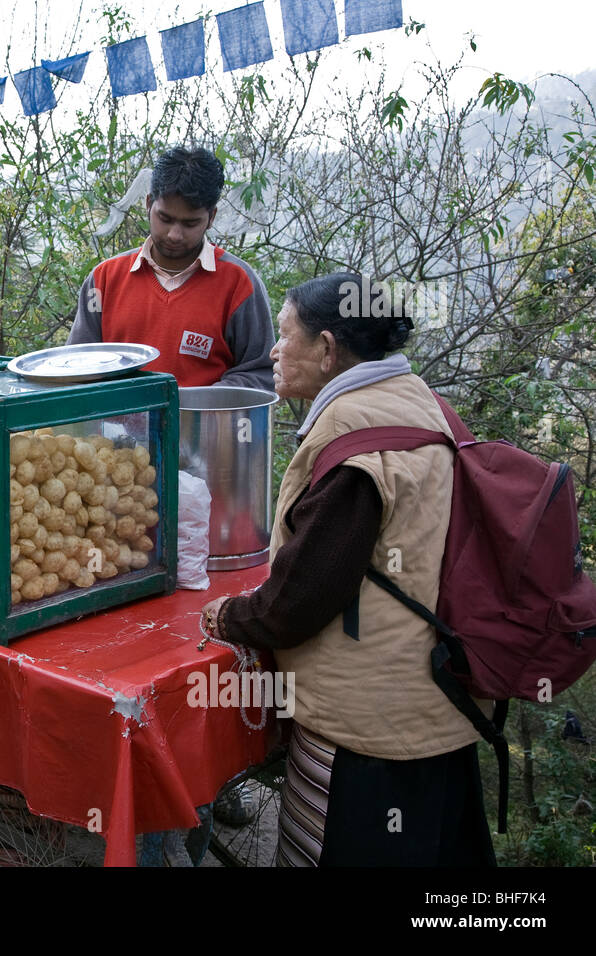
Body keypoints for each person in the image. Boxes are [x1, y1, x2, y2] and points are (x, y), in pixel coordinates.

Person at [200, 273, 495, 867]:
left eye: (285, 338)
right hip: (442, 702)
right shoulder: (423, 402)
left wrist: (227, 616)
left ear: (328, 348)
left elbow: (300, 600)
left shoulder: (353, 435)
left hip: (369, 733)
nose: (273, 352)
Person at [67, 146, 274, 390]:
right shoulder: (104, 280)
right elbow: (78, 368)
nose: (175, 235)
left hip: (202, 425)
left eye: (190, 223)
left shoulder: (240, 284)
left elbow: (260, 374)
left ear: (211, 217)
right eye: (164, 218)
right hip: (111, 427)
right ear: (148, 204)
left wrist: (195, 405)